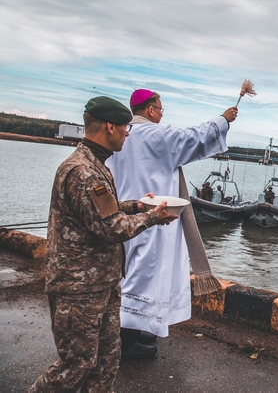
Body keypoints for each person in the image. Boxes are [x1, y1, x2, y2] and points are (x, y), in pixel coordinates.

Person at [29, 96, 177, 393]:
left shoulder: (96, 164)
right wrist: (152, 217)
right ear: (110, 126)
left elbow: (104, 211)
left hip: (101, 284)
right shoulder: (83, 172)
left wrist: (136, 205)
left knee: (106, 361)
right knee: (77, 365)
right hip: (78, 288)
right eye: (125, 127)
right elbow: (110, 227)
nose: (127, 133)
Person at [107, 88, 237, 359]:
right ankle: (124, 343)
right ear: (151, 110)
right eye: (161, 109)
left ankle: (129, 333)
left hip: (123, 213)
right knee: (144, 277)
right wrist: (223, 120)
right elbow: (194, 137)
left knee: (125, 273)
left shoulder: (121, 135)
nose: (161, 114)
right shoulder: (156, 135)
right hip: (154, 217)